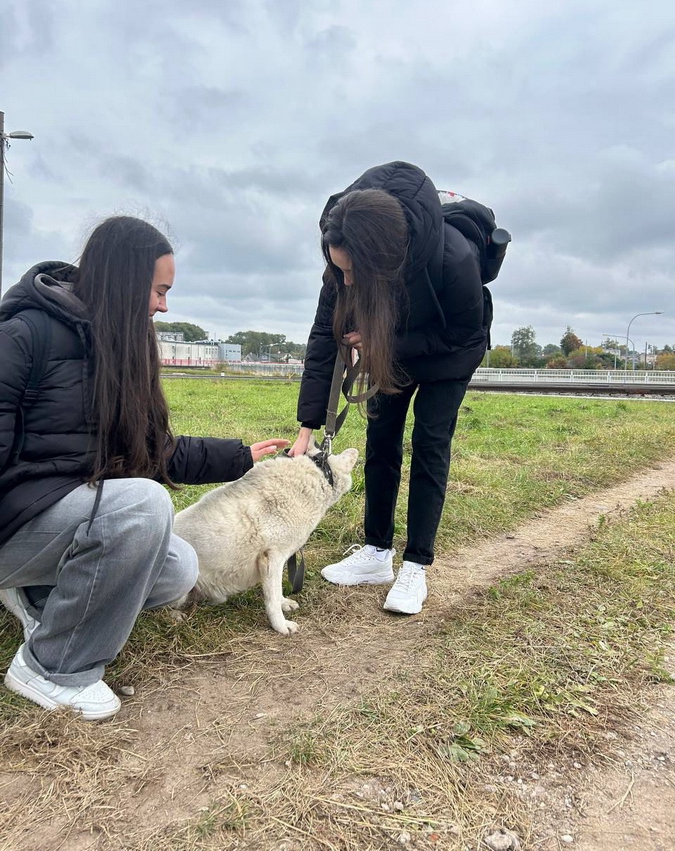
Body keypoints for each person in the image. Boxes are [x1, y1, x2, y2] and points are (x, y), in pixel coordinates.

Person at [0, 216, 287, 719]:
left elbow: (152, 451)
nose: (163, 305)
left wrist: (240, 456)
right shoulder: (23, 335)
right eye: (159, 291)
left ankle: (38, 595)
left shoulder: (120, 349)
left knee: (178, 570)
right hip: (11, 526)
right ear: (124, 282)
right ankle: (53, 667)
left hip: (55, 520)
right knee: (142, 506)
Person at [290, 161, 494, 614]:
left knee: (429, 444)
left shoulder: (454, 259)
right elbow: (323, 335)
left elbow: (465, 336)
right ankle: (376, 553)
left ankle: (415, 566)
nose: (345, 282)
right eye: (339, 270)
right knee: (381, 440)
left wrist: (385, 341)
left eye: (352, 273)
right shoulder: (342, 256)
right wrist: (307, 425)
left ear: (382, 258)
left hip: (450, 352)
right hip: (388, 345)